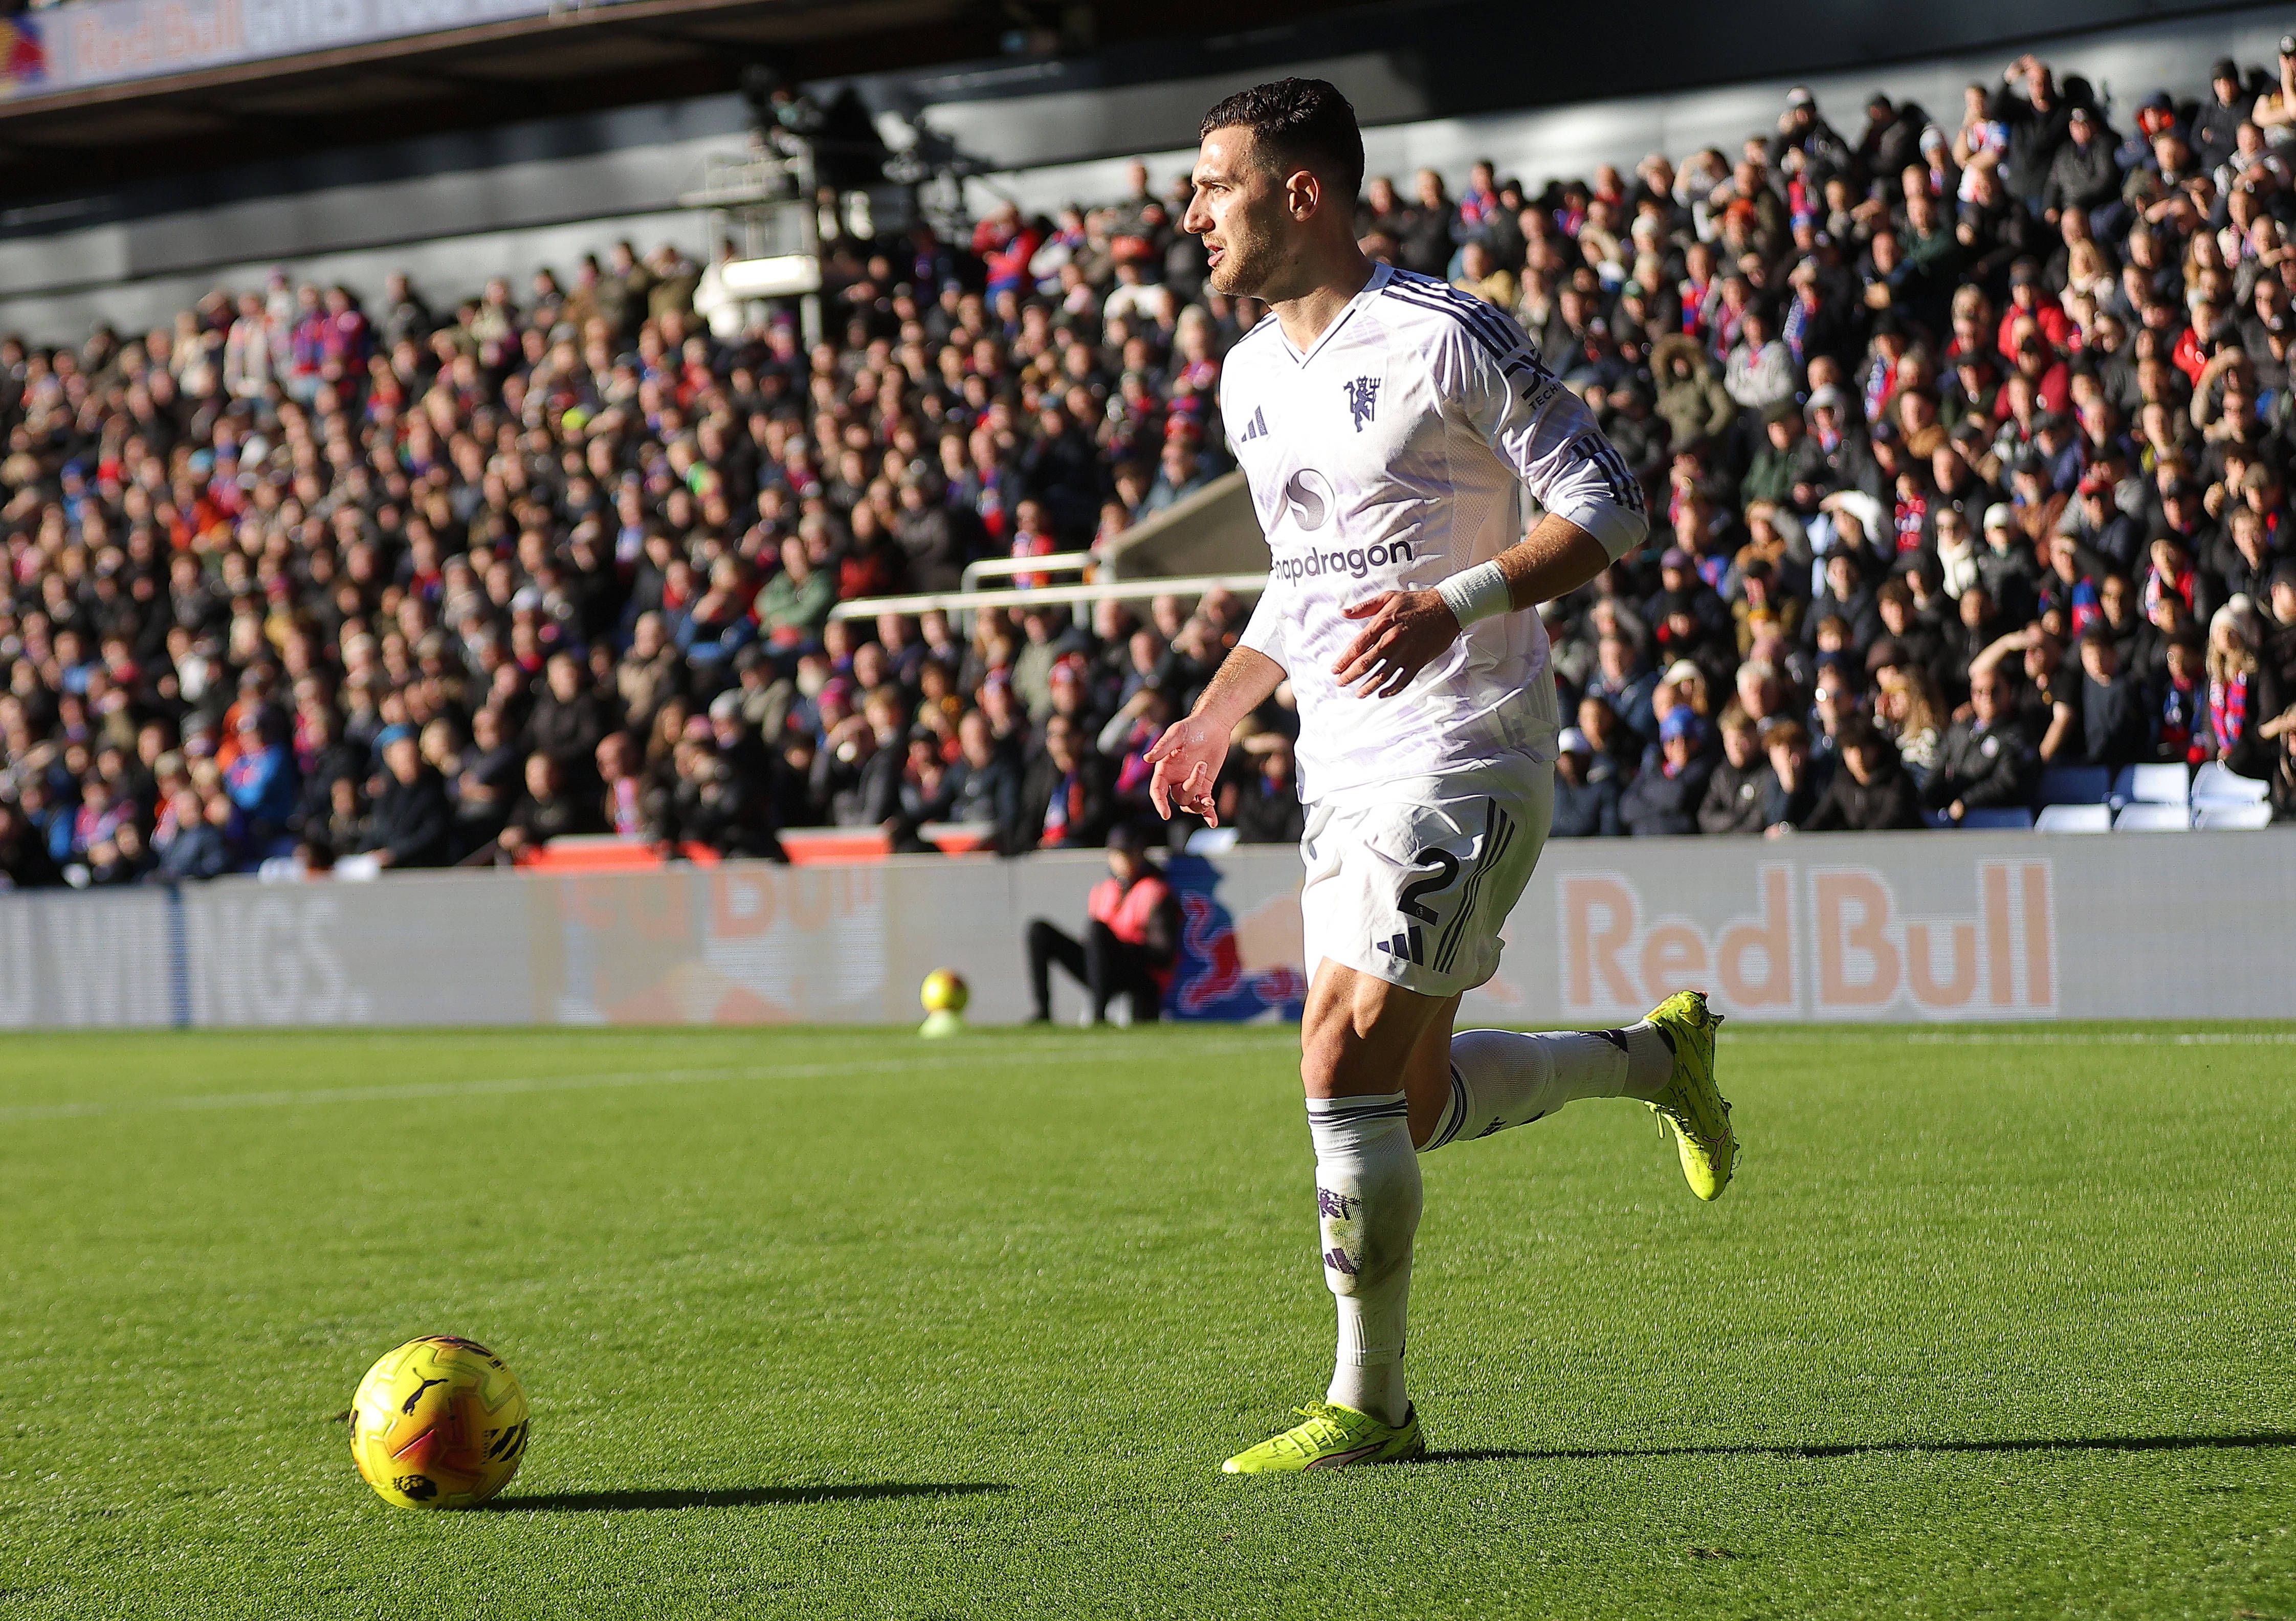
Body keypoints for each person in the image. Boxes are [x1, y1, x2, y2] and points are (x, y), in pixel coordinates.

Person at [1148, 80, 1733, 1477]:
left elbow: (1611, 505)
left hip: (1469, 743)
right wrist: (1217, 711)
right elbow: (1305, 577)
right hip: (1343, 767)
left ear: (1301, 192)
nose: (1194, 215)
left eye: (1214, 184)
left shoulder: (1443, 333)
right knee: (1399, 1105)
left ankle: (1374, 1406)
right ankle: (1658, 1060)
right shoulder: (1247, 378)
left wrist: (1457, 603)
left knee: (1335, 1056)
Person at [1022, 824, 1182, 1024]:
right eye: (1117, 854)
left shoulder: (1155, 891)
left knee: (1097, 931)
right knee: (1039, 931)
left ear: (1140, 854)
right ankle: (1042, 1013)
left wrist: (1119, 948)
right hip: (1102, 969)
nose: (1123, 860)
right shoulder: (1105, 890)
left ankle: (1098, 1015)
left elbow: (1164, 954)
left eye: (1128, 853)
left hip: (1139, 972)